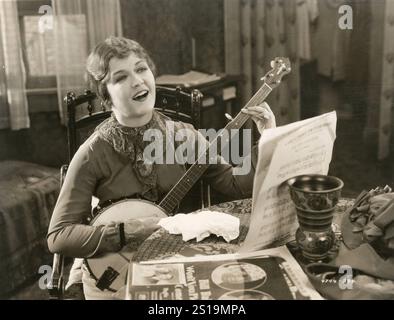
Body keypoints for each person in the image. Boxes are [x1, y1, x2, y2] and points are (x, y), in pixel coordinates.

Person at [47, 36, 276, 299]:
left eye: (141, 68)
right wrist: (125, 231)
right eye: (121, 77)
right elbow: (58, 236)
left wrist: (266, 137)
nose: (137, 80)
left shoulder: (182, 136)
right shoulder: (93, 152)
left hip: (170, 263)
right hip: (112, 275)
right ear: (106, 98)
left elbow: (234, 184)